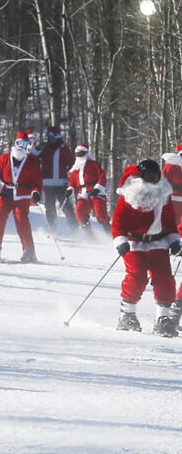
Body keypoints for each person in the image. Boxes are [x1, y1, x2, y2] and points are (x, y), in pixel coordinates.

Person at [111, 159, 180, 336]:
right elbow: (118, 223)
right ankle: (127, 313)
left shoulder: (163, 195)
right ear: (140, 177)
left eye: (155, 177)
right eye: (148, 176)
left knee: (165, 279)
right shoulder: (129, 196)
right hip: (134, 244)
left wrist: (174, 241)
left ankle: (162, 319)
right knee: (137, 277)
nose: (152, 180)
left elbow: (170, 223)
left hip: (159, 243)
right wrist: (120, 241)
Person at [0, 130, 43, 262]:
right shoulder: (4, 158)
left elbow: (37, 181)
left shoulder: (31, 161)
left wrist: (36, 192)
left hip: (22, 195)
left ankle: (29, 251)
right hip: (5, 193)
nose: (21, 146)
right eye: (19, 143)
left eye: (24, 144)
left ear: (28, 145)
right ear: (15, 143)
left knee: (22, 222)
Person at [66, 144, 109, 233]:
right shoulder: (75, 168)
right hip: (83, 194)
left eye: (80, 154)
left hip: (96, 193)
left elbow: (102, 176)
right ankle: (89, 236)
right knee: (80, 213)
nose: (78, 156)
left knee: (101, 214)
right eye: (77, 154)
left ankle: (110, 234)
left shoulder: (93, 164)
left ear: (85, 153)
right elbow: (72, 183)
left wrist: (97, 189)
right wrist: (70, 190)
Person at [38, 125, 74, 229]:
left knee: (66, 206)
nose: (50, 137)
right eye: (48, 135)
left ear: (57, 136)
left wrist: (69, 175)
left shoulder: (63, 149)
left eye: (52, 135)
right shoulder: (44, 148)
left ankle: (74, 228)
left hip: (61, 183)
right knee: (49, 207)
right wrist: (37, 148)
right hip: (48, 183)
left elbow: (72, 164)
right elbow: (32, 157)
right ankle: (52, 230)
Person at [159, 143, 182, 222]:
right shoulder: (171, 165)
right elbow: (163, 181)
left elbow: (163, 180)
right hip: (174, 198)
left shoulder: (170, 165)